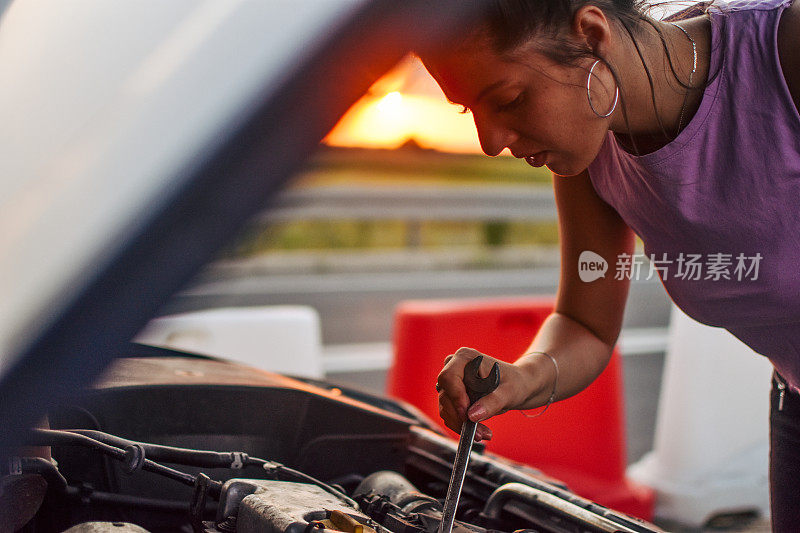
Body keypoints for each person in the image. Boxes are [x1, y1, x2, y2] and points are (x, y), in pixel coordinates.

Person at [423, 0, 800, 528]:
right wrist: (519, 378)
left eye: (508, 98)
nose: (489, 143)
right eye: (470, 112)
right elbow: (586, 325)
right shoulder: (588, 150)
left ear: (591, 34)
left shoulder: (785, 53)